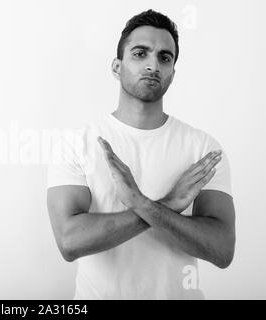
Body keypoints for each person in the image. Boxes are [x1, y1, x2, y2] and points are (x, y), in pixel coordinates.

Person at [46, 9, 236, 299]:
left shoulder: (204, 149)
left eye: (164, 57)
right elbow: (70, 242)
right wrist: (168, 204)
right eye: (140, 53)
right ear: (116, 66)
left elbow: (222, 250)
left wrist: (140, 203)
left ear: (172, 73)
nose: (153, 65)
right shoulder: (77, 143)